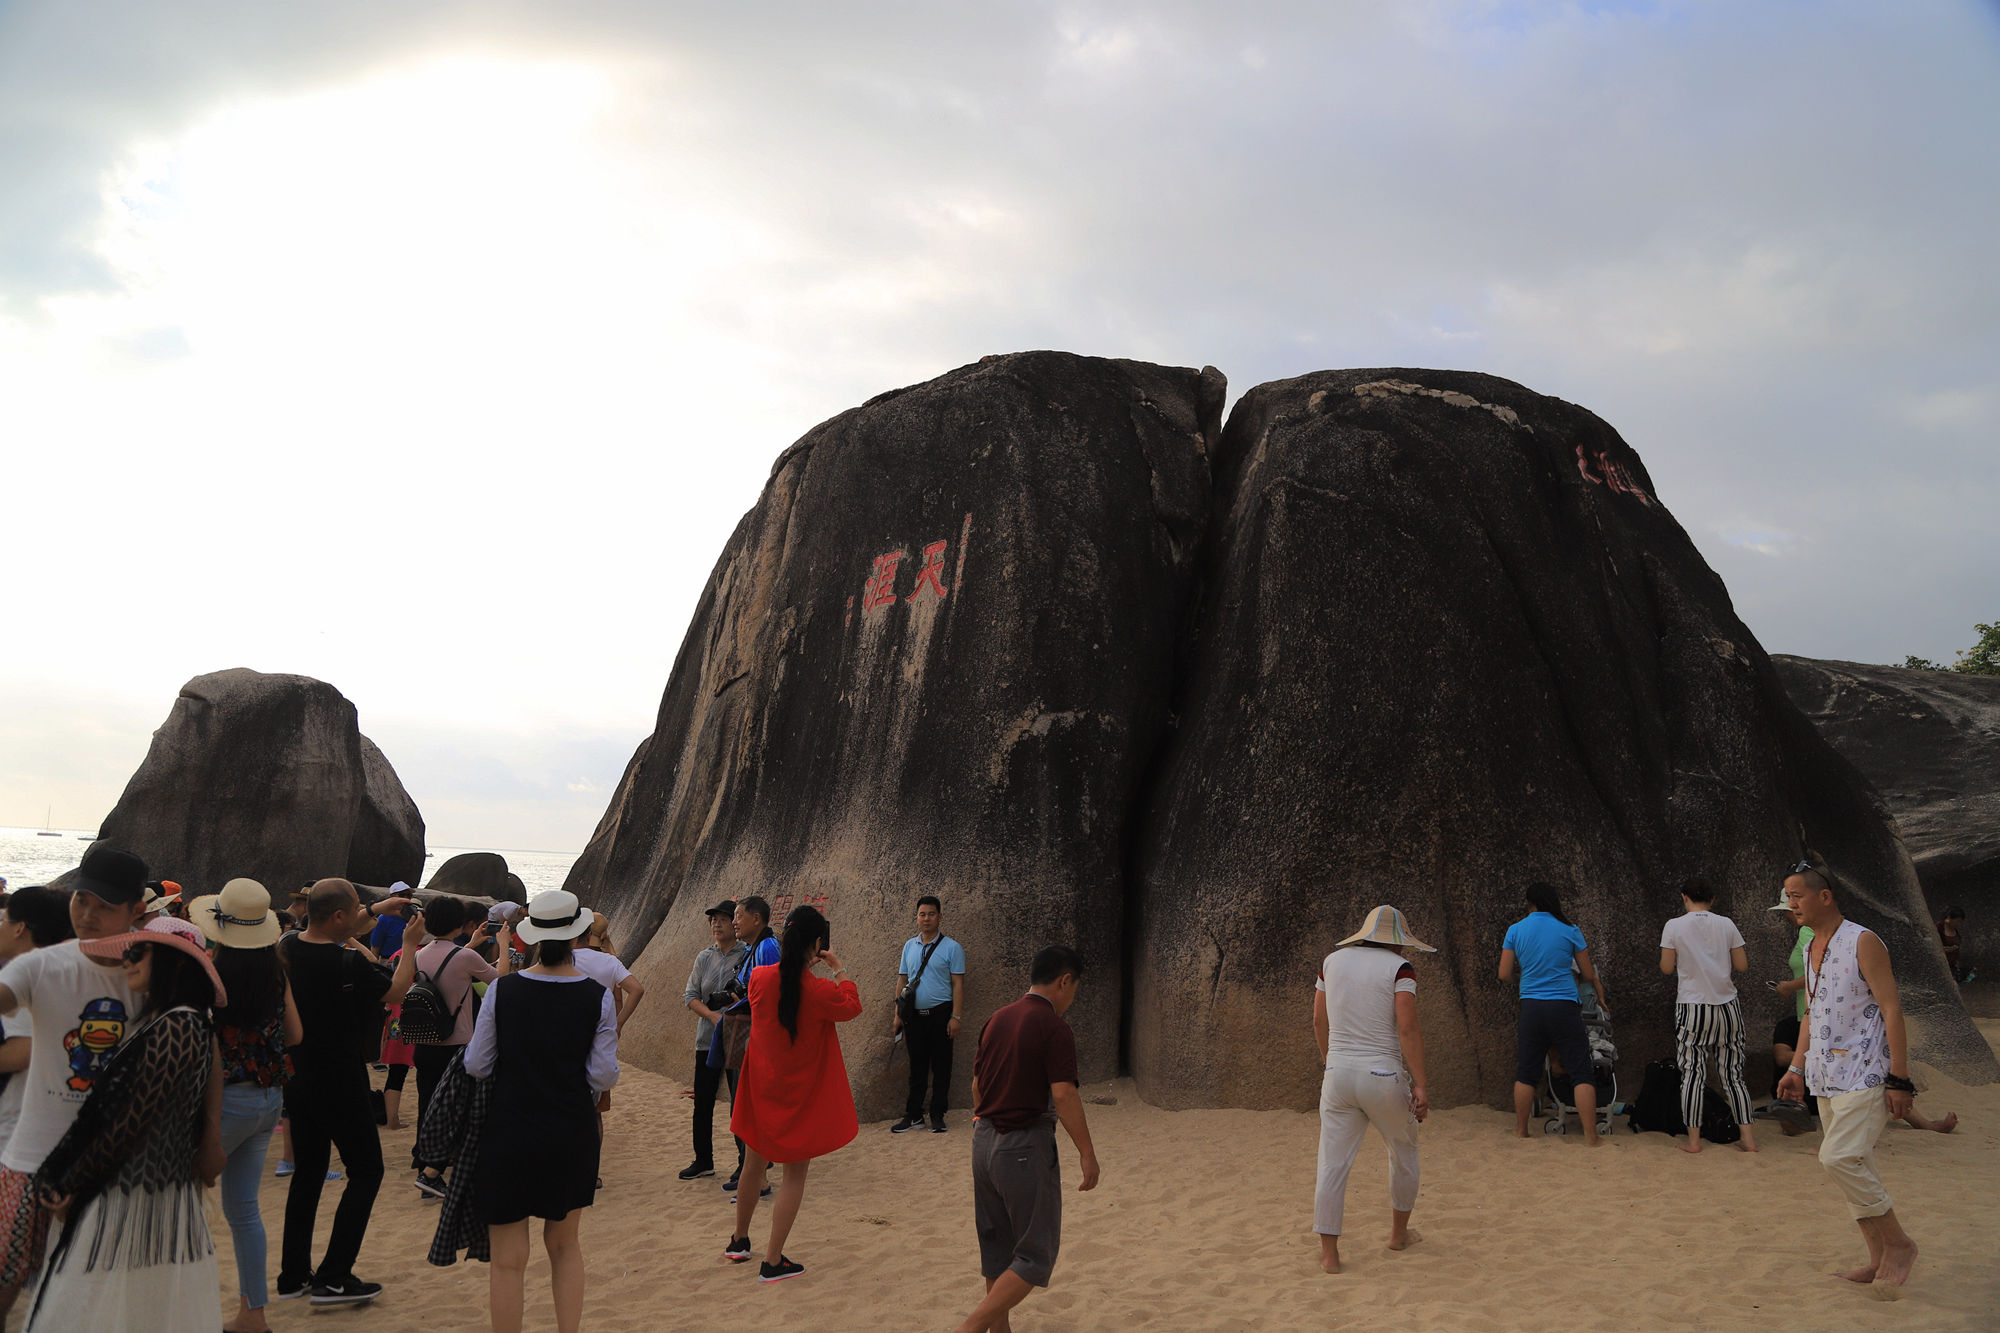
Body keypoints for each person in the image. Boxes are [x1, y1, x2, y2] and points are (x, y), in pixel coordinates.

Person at [24, 923, 228, 1330]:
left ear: (172, 963)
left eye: (138, 954)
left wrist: (72, 1183)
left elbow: (128, 1123)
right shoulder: (170, 1022)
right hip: (148, 1194)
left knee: (104, 1305)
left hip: (135, 1198)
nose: (126, 963)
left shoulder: (177, 1026)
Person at [0, 845, 148, 1317]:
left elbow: (193, 1049)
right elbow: (6, 994)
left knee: (88, 1295)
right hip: (30, 1156)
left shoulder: (150, 975)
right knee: (6, 1279)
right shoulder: (42, 964)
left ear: (135, 910)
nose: (87, 914)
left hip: (109, 1164)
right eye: (81, 899)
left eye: (105, 906)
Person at [464, 889, 618, 1333]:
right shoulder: (597, 996)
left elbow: (477, 1064)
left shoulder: (503, 991)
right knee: (565, 1246)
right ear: (578, 936)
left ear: (531, 935)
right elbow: (602, 1077)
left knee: (509, 1261)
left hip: (509, 1129)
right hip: (570, 1129)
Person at [1775, 862, 1921, 1287]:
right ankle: (1877, 1258)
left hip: (1867, 1072)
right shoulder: (1807, 948)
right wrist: (1797, 1067)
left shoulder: (1863, 940)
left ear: (1825, 896)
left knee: (1837, 1158)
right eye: (1789, 895)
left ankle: (1899, 1244)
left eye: (1798, 894)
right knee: (1857, 1165)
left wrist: (1899, 1078)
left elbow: (1892, 1007)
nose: (1792, 903)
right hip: (1824, 1075)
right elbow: (1812, 1013)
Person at [275, 877, 418, 1306]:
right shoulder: (348, 964)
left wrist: (376, 910)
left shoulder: (285, 947)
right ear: (339, 916)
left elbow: (341, 925)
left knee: (309, 1173)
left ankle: (293, 1275)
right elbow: (396, 990)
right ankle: (334, 1276)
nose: (360, 915)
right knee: (367, 1171)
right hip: (340, 1077)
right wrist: (409, 944)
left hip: (298, 1078)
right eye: (354, 909)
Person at [952, 945, 1099, 1333]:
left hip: (983, 1140)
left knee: (997, 1251)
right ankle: (970, 1328)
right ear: (1065, 981)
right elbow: (1064, 1094)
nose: (1072, 998)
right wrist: (1087, 1153)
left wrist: (984, 1127)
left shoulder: (997, 1018)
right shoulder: (1054, 1027)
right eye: (1075, 989)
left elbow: (976, 1086)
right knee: (1035, 1256)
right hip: (1022, 1146)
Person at [724, 905, 861, 1282]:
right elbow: (852, 1005)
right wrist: (838, 969)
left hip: (761, 1087)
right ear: (817, 944)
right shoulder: (819, 990)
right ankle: (773, 1259)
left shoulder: (761, 978)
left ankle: (739, 1241)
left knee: (753, 1164)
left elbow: (767, 997)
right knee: (794, 1175)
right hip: (797, 1094)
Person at [191, 878, 300, 1333]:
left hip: (224, 1102)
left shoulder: (207, 974)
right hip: (268, 1100)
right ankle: (252, 1314)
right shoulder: (276, 972)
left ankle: (182, 1309)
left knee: (179, 1206)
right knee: (244, 1210)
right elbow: (294, 1035)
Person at [1311, 906, 1430, 1273]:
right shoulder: (1400, 969)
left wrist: (1331, 1062)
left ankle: (1330, 1255)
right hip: (1383, 1076)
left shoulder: (1330, 962)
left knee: (1332, 1164)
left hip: (1339, 1075)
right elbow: (1407, 1028)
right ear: (1397, 943)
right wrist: (1421, 1085)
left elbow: (1318, 1019)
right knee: (1403, 1150)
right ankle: (1398, 1234)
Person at [1498, 882, 1607, 1147]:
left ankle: (1522, 1131)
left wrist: (1524, 981)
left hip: (1532, 1006)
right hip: (1565, 1006)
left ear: (1529, 902)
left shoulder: (1515, 930)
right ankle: (1592, 1137)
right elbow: (1588, 974)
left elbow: (1503, 974)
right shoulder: (1570, 929)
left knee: (1526, 1072)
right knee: (1581, 1071)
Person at [1659, 879, 1756, 1153]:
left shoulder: (1673, 926)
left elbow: (1667, 968)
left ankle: (1693, 1141)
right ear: (1712, 899)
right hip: (1727, 1006)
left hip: (1692, 1006)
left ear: (1684, 897)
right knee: (1733, 1076)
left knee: (1692, 1075)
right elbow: (1742, 965)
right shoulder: (1726, 924)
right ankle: (1748, 1139)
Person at [409, 896, 497, 1200]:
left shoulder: (419, 955)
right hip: (457, 1043)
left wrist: (470, 944)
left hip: (425, 1039)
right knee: (460, 1106)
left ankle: (423, 1154)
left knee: (427, 1100)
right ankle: (446, 1164)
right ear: (459, 924)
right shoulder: (465, 957)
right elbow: (498, 980)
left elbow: (450, 966)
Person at [0, 889, 75, 1164]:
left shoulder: (26, 975)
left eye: (4, 921)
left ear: (20, 928)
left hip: (14, 1131)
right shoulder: (64, 969)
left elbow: (23, 1051)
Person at [715, 895, 782, 1195]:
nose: (734, 921)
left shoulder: (768, 946)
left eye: (739, 915)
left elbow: (770, 992)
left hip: (754, 1028)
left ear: (757, 919)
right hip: (742, 1025)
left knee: (746, 1102)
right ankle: (748, 1165)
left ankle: (751, 1169)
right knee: (741, 1100)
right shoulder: (755, 947)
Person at [680, 900, 747, 1181]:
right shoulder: (703, 957)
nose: (716, 924)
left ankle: (747, 1162)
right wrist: (711, 1015)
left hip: (738, 1038)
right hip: (707, 1038)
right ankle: (703, 1160)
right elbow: (689, 996)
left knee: (740, 1103)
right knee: (703, 1101)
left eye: (722, 919)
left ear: (735, 922)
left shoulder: (747, 955)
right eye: (713, 920)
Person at [890, 894, 967, 1134]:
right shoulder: (908, 946)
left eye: (931, 914)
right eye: (922, 914)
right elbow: (902, 979)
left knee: (942, 1066)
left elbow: (958, 984)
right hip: (913, 1015)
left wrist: (956, 1017)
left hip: (941, 1014)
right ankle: (914, 1116)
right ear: (917, 917)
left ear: (940, 917)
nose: (926, 918)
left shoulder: (952, 948)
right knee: (917, 1067)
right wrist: (897, 1014)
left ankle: (937, 1115)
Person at [576, 912, 646, 1033]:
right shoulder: (612, 961)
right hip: (603, 1030)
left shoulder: (568, 958)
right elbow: (633, 991)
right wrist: (618, 1024)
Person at [1937, 906, 1965, 982]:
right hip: (1941, 964)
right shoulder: (1939, 928)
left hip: (1952, 964)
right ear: (1949, 918)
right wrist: (1944, 949)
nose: (1958, 924)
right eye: (1957, 921)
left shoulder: (1955, 931)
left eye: (1960, 922)